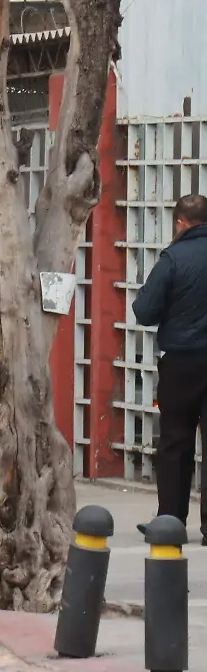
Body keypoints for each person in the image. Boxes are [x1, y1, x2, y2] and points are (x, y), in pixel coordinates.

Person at [132, 193, 207, 542]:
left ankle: (171, 523)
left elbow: (145, 311)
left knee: (175, 442)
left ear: (180, 222)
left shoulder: (172, 259)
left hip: (181, 362)